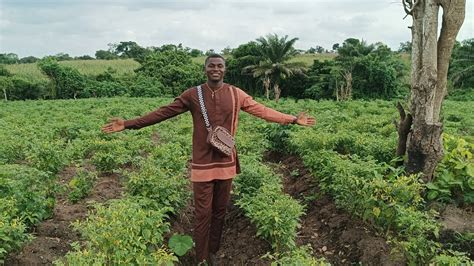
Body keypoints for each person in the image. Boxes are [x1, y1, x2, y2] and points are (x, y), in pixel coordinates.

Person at [101, 54, 316, 264]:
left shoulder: (236, 94)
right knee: (203, 214)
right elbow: (163, 112)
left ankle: (213, 251)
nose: (215, 69)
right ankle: (201, 258)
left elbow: (262, 110)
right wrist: (129, 124)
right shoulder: (193, 95)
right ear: (205, 69)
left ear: (225, 69)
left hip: (226, 161)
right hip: (202, 164)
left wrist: (293, 119)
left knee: (220, 211)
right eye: (211, 65)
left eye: (219, 66)